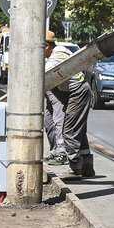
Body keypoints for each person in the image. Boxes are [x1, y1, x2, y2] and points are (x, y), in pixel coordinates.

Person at [46, 30, 94, 177]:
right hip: (81, 89)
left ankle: (75, 167)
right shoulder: (62, 50)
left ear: (47, 46)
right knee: (79, 130)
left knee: (69, 130)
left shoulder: (53, 61)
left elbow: (43, 79)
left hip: (77, 92)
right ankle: (87, 166)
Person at [43, 31, 68, 165]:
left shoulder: (58, 54)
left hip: (61, 92)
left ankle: (61, 152)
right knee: (48, 121)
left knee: (59, 121)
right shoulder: (52, 55)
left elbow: (46, 73)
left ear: (47, 46)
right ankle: (55, 149)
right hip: (52, 92)